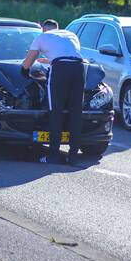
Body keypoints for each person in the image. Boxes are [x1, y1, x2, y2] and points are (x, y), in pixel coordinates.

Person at [20, 19, 85, 164]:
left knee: (55, 112)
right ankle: (73, 156)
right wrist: (49, 60)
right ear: (58, 28)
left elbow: (28, 62)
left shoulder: (42, 37)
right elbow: (67, 55)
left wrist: (24, 70)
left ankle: (53, 156)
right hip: (79, 68)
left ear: (43, 29)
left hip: (60, 70)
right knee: (76, 113)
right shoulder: (71, 35)